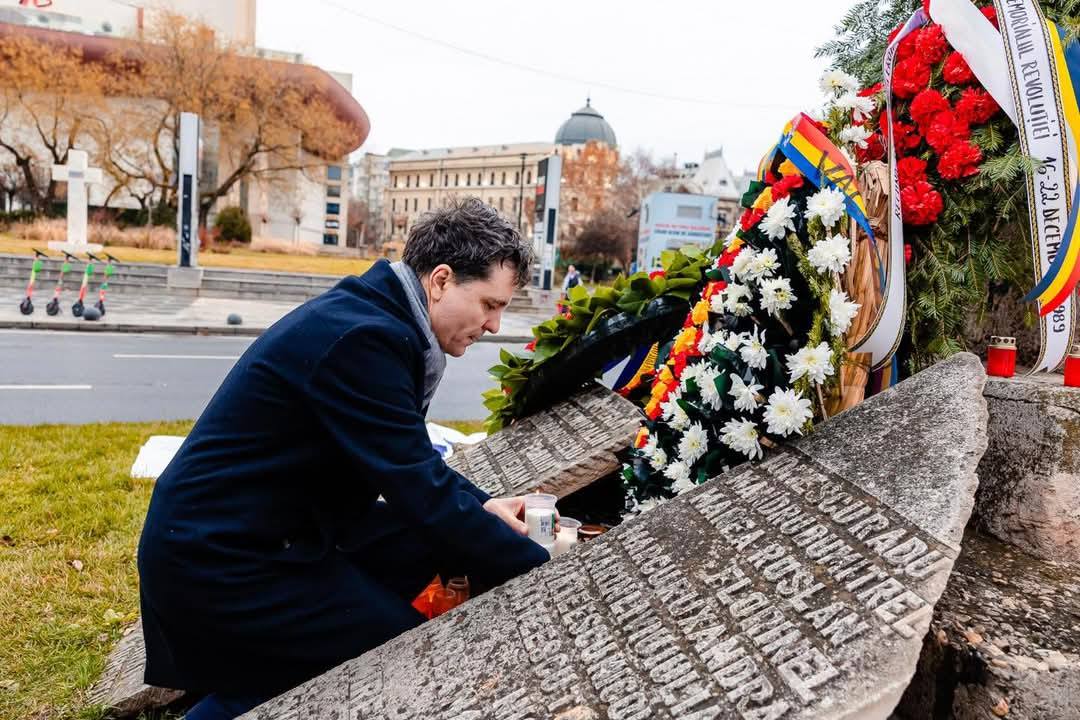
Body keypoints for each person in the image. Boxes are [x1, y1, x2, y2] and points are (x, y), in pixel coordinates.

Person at [137, 199, 551, 720]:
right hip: (221, 559)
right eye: (490, 304)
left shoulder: (380, 316)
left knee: (419, 553)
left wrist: (487, 508)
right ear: (441, 281)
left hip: (267, 531)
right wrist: (547, 573)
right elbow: (419, 490)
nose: (493, 325)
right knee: (386, 658)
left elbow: (410, 460)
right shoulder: (366, 339)